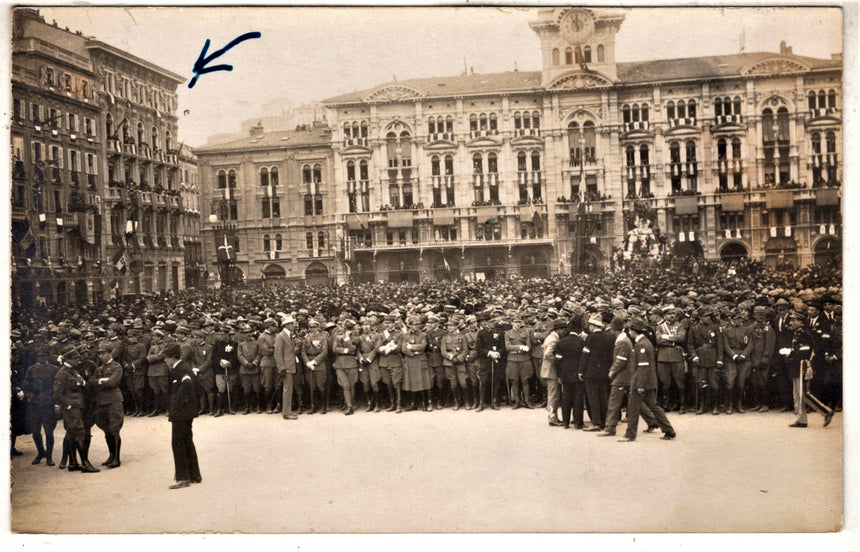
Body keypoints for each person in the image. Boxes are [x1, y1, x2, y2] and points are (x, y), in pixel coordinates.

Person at [619, 317, 676, 442]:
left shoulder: (641, 345)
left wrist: (640, 385)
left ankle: (630, 434)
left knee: (633, 408)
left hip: (641, 381)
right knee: (653, 406)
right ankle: (668, 430)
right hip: (648, 381)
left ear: (633, 330)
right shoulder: (645, 342)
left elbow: (643, 367)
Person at [782, 311, 834, 428]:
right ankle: (802, 419)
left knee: (804, 394)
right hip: (797, 365)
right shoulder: (798, 333)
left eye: (794, 320)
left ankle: (826, 412)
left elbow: (804, 352)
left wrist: (790, 353)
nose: (791, 322)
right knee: (798, 393)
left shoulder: (804, 334)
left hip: (802, 365)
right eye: (791, 320)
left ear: (801, 322)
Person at [52, 346, 100, 473]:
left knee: (73, 433)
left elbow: (81, 385)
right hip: (71, 408)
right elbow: (56, 394)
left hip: (78, 406)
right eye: (76, 358)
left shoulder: (73, 371)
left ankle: (73, 463)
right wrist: (67, 404)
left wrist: (83, 383)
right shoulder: (62, 374)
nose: (78, 360)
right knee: (79, 433)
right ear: (69, 359)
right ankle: (85, 463)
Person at [163, 343, 202, 489]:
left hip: (181, 413)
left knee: (178, 443)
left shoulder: (182, 370)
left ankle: (183, 478)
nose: (165, 361)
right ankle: (194, 475)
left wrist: (176, 405)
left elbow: (188, 386)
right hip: (185, 412)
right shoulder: (180, 368)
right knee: (186, 441)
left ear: (172, 358)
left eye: (166, 358)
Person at [24, 337, 59, 466]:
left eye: (44, 355)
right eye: (39, 355)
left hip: (48, 404)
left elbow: (57, 387)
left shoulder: (54, 369)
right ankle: (41, 452)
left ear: (48, 356)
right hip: (35, 404)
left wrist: (55, 402)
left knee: (49, 432)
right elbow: (26, 384)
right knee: (35, 432)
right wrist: (29, 395)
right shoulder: (31, 369)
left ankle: (49, 457)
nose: (41, 358)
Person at [91, 340, 125, 468]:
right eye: (99, 353)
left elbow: (112, 383)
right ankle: (111, 455)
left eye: (103, 353)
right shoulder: (99, 369)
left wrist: (99, 382)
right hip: (101, 401)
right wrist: (101, 380)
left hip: (113, 401)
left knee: (114, 429)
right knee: (106, 430)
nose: (101, 356)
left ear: (110, 353)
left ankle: (116, 458)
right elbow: (90, 382)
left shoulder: (117, 367)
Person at [580, 314, 615, 431]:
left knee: (593, 398)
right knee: (603, 397)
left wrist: (581, 371)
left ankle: (596, 422)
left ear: (592, 325)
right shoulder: (609, 337)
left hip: (591, 373)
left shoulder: (590, 338)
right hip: (604, 372)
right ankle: (605, 421)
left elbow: (585, 355)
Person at [687, 307, 723, 415]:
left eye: (709, 316)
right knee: (701, 383)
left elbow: (720, 345)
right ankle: (701, 406)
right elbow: (690, 345)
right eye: (705, 316)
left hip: (712, 356)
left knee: (714, 383)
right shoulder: (694, 328)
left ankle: (716, 406)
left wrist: (720, 359)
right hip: (700, 357)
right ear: (700, 317)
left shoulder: (715, 327)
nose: (708, 318)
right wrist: (694, 356)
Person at [556, 318, 586, 430]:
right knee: (578, 398)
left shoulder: (561, 342)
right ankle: (578, 423)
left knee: (566, 397)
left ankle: (565, 422)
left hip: (565, 373)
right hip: (577, 374)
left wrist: (559, 375)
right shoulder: (581, 342)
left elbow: (558, 360)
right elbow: (584, 360)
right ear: (579, 331)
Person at [401, 315, 431, 411]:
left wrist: (411, 346)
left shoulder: (423, 335)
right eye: (414, 324)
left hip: (420, 361)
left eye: (418, 324)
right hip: (411, 360)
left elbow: (423, 346)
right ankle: (413, 404)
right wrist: (413, 352)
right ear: (409, 325)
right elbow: (403, 349)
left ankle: (424, 403)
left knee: (422, 382)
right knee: (411, 382)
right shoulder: (405, 336)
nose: (417, 326)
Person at [540, 317, 566, 426]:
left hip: (548, 370)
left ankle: (553, 416)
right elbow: (547, 354)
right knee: (553, 395)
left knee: (553, 394)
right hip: (551, 370)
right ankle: (552, 418)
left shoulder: (550, 337)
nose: (564, 332)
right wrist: (557, 362)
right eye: (563, 329)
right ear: (558, 329)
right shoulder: (554, 339)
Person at [504, 314, 534, 409]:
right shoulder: (508, 333)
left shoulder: (526, 332)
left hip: (524, 359)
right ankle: (517, 401)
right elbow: (508, 347)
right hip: (512, 360)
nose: (517, 324)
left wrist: (520, 348)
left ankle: (527, 401)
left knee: (525, 381)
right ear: (511, 322)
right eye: (515, 322)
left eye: (519, 322)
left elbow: (528, 346)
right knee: (514, 381)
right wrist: (520, 347)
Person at [331, 318, 360, 415]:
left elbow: (353, 348)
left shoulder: (356, 338)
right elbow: (334, 349)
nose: (347, 329)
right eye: (346, 327)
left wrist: (347, 340)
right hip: (340, 363)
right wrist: (346, 350)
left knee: (351, 385)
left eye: (349, 328)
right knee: (345, 386)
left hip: (351, 363)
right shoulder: (338, 337)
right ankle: (349, 406)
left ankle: (351, 403)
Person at [302, 316, 330, 414]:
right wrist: (307, 362)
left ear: (318, 327)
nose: (313, 329)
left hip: (319, 363)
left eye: (315, 327)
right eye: (311, 327)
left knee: (320, 386)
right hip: (309, 363)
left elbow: (324, 352)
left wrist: (315, 361)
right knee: (311, 387)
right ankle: (313, 406)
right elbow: (303, 352)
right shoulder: (306, 338)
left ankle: (324, 406)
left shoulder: (323, 338)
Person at [376, 314, 404, 412]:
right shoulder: (381, 334)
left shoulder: (399, 334)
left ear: (393, 324)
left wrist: (388, 348)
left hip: (395, 362)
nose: (387, 325)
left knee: (396, 383)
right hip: (384, 362)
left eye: (389, 323)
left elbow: (399, 348)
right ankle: (392, 404)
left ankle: (399, 405)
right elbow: (377, 348)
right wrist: (385, 349)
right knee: (388, 383)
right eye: (385, 323)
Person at [440, 317, 469, 410]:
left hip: (460, 362)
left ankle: (466, 402)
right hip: (449, 362)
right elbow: (443, 351)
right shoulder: (445, 338)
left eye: (451, 325)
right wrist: (451, 357)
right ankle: (456, 402)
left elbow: (465, 350)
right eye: (448, 326)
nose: (449, 327)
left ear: (456, 326)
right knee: (453, 383)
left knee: (463, 382)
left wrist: (459, 358)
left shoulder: (462, 336)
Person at [274, 316, 299, 420]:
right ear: (287, 325)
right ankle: (286, 412)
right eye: (292, 324)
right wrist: (281, 368)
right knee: (287, 389)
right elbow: (277, 354)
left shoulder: (289, 335)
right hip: (286, 367)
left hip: (290, 365)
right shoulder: (281, 336)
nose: (294, 325)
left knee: (288, 389)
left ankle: (287, 411)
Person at [237, 324, 262, 414]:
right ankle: (247, 407)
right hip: (245, 370)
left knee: (257, 389)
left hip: (255, 369)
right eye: (246, 333)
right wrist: (246, 363)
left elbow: (259, 354)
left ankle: (258, 406)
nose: (248, 334)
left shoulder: (257, 343)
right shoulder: (241, 344)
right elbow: (239, 355)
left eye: (250, 332)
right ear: (243, 334)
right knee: (246, 389)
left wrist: (254, 363)